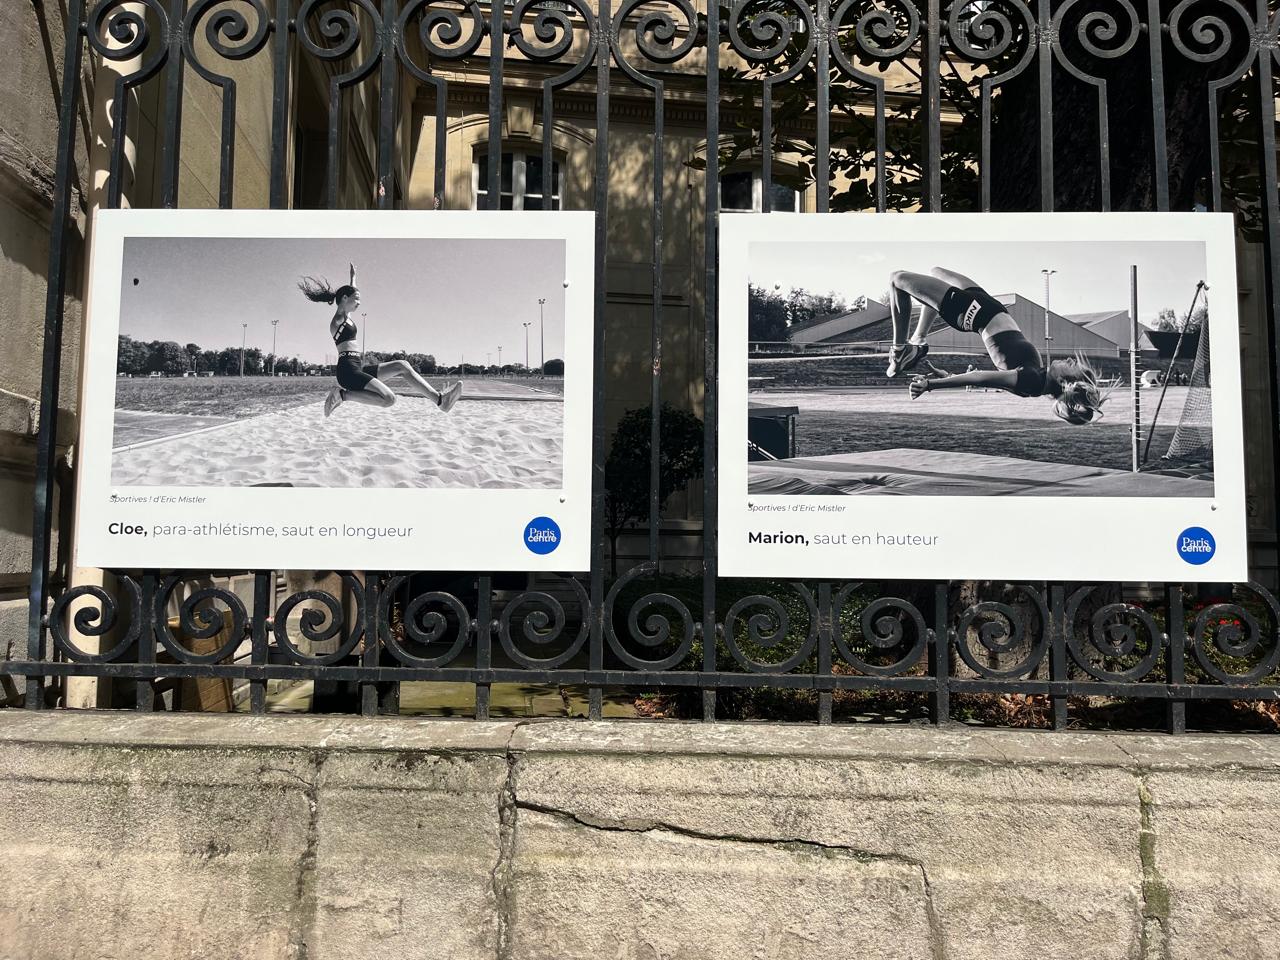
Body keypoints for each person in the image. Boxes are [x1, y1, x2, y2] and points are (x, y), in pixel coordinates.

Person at [884, 266, 1108, 425]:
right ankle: (918, 341)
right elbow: (989, 379)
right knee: (935, 271)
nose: (1070, 360)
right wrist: (947, 375)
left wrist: (931, 384)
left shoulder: (1032, 380)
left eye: (1073, 366)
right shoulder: (1035, 381)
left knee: (897, 278)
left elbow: (980, 377)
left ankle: (900, 350)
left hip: (972, 311)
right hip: (985, 302)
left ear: (1065, 382)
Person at [297, 265, 462, 418]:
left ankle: (441, 401)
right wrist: (350, 285)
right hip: (347, 372)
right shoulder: (338, 319)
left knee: (402, 365)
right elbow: (343, 301)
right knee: (389, 399)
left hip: (357, 367)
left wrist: (353, 278)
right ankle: (342, 395)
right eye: (357, 299)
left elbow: (347, 295)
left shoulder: (347, 317)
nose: (359, 303)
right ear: (345, 298)